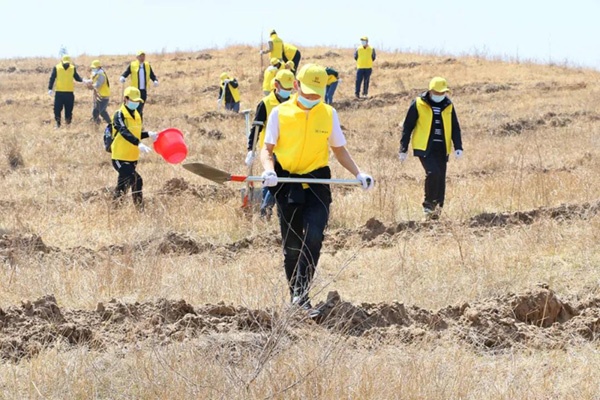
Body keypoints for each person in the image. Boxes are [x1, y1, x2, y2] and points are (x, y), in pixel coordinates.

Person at [260, 63, 375, 317]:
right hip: (286, 181)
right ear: (297, 86)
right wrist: (269, 170)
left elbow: (339, 149)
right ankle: (296, 295)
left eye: (317, 94)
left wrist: (358, 173)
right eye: (308, 91)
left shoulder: (328, 113)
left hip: (317, 183)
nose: (312, 98)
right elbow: (267, 149)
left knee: (314, 236)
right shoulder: (280, 113)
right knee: (292, 245)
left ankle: (301, 296)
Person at [399, 77, 463, 220]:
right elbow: (407, 126)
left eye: (443, 93)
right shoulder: (418, 103)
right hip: (425, 146)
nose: (440, 95)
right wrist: (403, 148)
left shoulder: (448, 105)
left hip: (442, 147)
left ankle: (437, 212)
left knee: (440, 178)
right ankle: (428, 206)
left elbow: (455, 127)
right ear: (430, 91)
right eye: (437, 92)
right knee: (433, 173)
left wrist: (458, 146)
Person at [245, 69, 295, 219]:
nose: (287, 91)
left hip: (289, 149)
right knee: (275, 179)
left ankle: (268, 211)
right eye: (284, 88)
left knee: (274, 181)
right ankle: (265, 211)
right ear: (276, 84)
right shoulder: (265, 104)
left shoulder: (294, 102)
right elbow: (256, 128)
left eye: (289, 88)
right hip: (270, 150)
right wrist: (250, 150)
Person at [110, 86, 158, 211]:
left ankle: (114, 210)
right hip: (119, 157)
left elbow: (135, 134)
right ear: (125, 99)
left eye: (138, 101)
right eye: (133, 100)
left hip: (132, 157)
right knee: (137, 180)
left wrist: (148, 134)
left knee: (123, 186)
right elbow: (123, 131)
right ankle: (140, 210)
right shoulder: (119, 114)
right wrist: (138, 143)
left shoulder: (137, 114)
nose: (136, 103)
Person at [119, 51, 159, 118]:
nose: (142, 58)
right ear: (137, 57)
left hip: (143, 91)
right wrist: (122, 77)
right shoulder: (132, 65)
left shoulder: (147, 65)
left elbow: (152, 75)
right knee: (136, 108)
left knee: (140, 108)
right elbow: (126, 73)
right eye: (140, 56)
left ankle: (139, 123)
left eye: (143, 56)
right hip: (134, 92)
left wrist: (155, 80)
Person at [47, 55, 84, 128]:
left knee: (69, 110)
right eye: (65, 63)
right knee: (57, 109)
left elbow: (77, 78)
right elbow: (52, 78)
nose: (66, 65)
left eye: (67, 63)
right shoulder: (57, 68)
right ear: (62, 61)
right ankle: (58, 124)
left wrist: (84, 80)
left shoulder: (72, 68)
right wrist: (50, 88)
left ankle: (68, 124)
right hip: (59, 93)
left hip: (69, 93)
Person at [87, 60, 111, 124]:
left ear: (98, 67)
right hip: (98, 96)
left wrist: (91, 86)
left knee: (102, 111)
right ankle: (97, 125)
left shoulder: (101, 75)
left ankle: (110, 124)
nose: (93, 69)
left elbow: (98, 85)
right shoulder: (94, 74)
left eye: (94, 68)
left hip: (104, 96)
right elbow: (92, 82)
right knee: (95, 112)